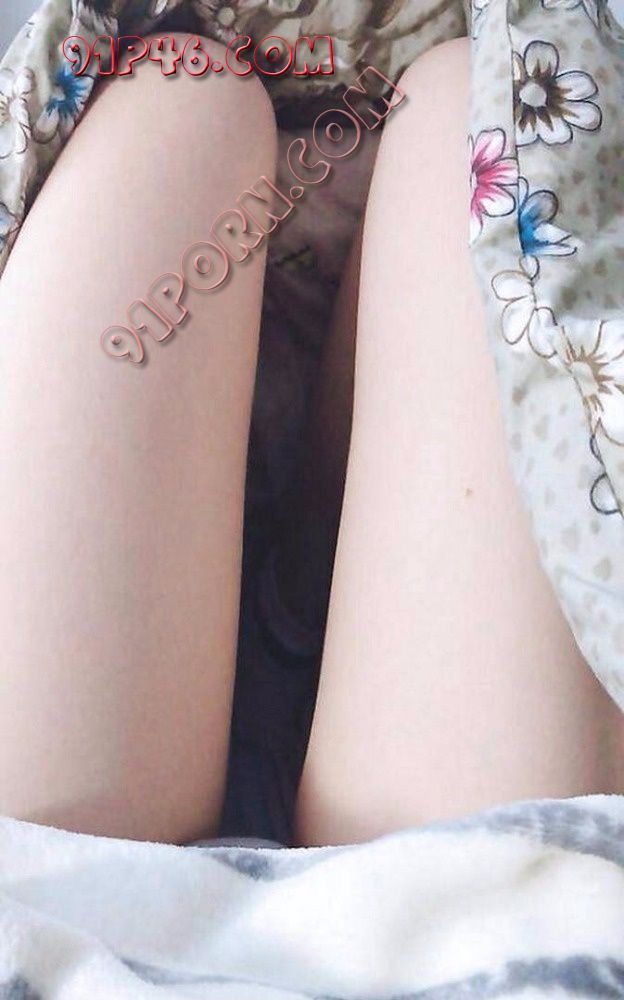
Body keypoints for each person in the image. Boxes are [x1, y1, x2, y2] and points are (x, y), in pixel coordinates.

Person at [0, 34, 621, 847]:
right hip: (463, 901)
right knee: (479, 102)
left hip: (45, 870)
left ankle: (293, 600)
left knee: (185, 93)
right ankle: (293, 600)